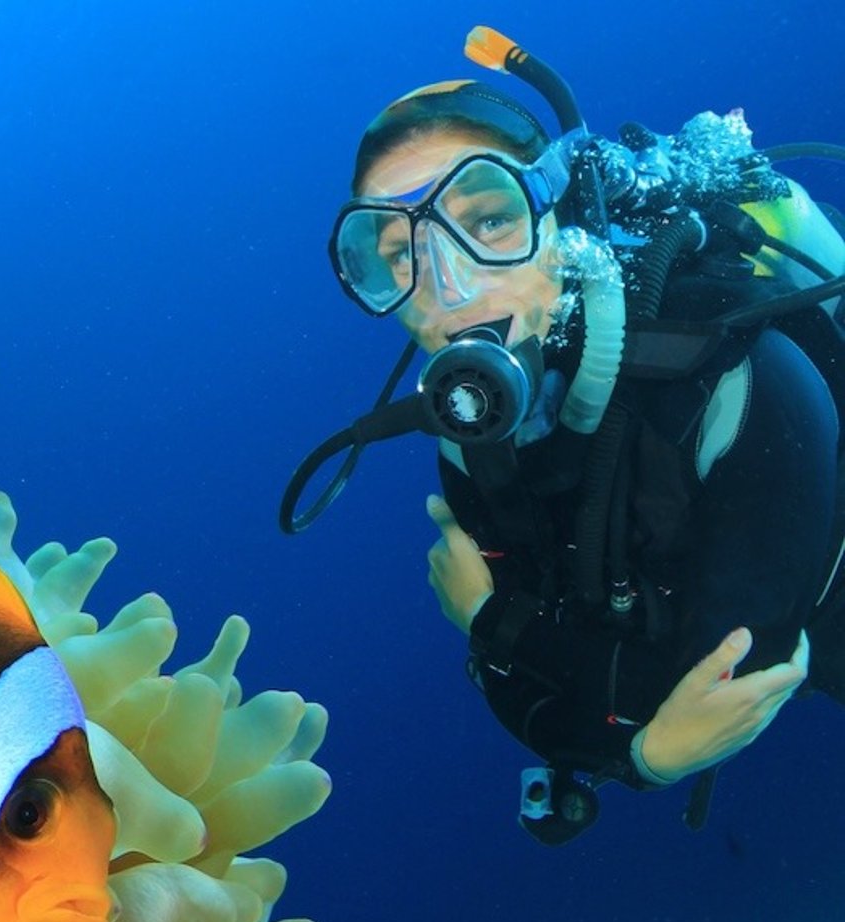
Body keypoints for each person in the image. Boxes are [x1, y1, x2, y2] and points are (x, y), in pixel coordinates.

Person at [300, 29, 845, 842]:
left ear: (554, 217)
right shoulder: (472, 428)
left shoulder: (738, 372)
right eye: (395, 255)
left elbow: (731, 687)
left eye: (486, 220)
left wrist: (488, 625)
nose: (447, 285)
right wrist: (628, 734)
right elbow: (551, 705)